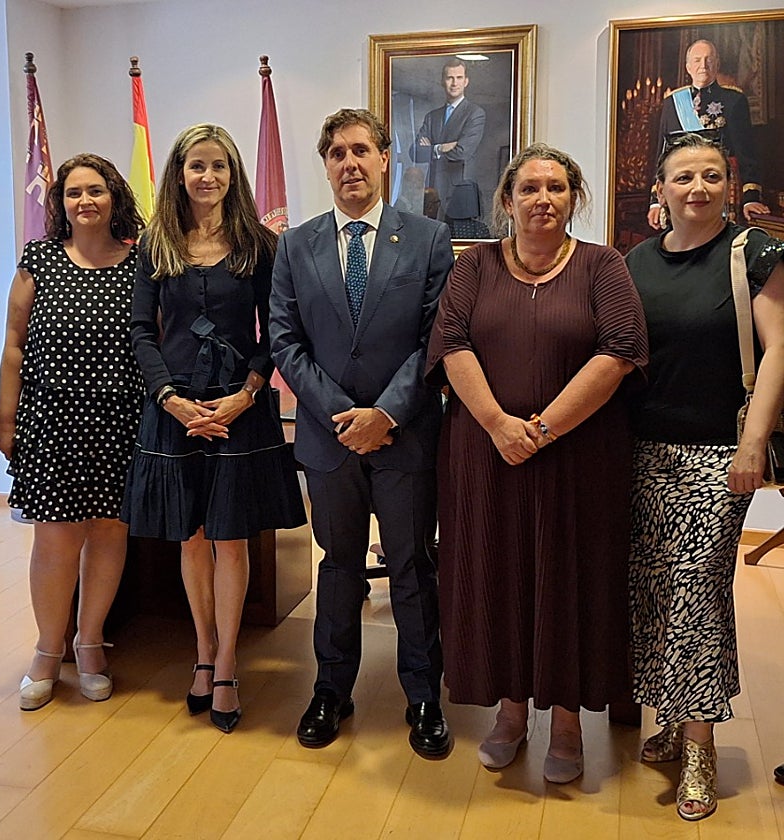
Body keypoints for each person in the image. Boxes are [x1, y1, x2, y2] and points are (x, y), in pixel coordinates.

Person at [426, 143, 648, 783]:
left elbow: (620, 350)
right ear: (507, 199)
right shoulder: (475, 265)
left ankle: (569, 720)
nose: (542, 199)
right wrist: (500, 424)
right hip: (486, 454)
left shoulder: (603, 265)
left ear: (574, 198)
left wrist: (544, 429)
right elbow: (450, 343)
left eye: (556, 187)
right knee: (497, 575)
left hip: (578, 458)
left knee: (570, 579)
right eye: (529, 188)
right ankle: (510, 711)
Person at [270, 108, 453, 757]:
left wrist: (386, 415)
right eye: (336, 153)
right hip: (329, 441)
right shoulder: (295, 245)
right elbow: (285, 341)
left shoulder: (428, 239)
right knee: (339, 566)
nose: (349, 163)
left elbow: (436, 339)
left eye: (360, 150)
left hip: (405, 436)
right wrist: (342, 416)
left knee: (411, 566)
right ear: (326, 166)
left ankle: (424, 696)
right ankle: (331, 690)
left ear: (384, 158)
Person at [123, 124, 305, 734]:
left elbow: (274, 333)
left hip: (238, 409)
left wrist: (246, 395)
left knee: (231, 539)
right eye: (196, 165)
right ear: (179, 174)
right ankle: (202, 652)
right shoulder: (156, 245)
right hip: (174, 409)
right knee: (193, 537)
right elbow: (142, 333)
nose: (208, 176)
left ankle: (227, 662)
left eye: (218, 166)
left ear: (234, 174)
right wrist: (170, 399)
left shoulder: (259, 244)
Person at [626, 132, 784, 820]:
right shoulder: (636, 262)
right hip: (641, 452)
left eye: (711, 176)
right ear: (660, 190)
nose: (698, 188)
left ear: (728, 184)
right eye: (684, 176)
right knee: (654, 591)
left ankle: (700, 747)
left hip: (718, 456)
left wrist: (753, 442)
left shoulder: (755, 254)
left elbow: (779, 350)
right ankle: (671, 715)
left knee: (697, 595)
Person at [0, 153, 145, 711]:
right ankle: (47, 650)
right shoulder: (40, 259)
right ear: (60, 202)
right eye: (73, 192)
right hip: (51, 422)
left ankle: (90, 644)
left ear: (114, 197)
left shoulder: (140, 262)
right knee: (55, 542)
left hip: (120, 421)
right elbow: (13, 342)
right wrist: (5, 417)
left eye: (95, 190)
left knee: (108, 535)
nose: (85, 201)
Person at [647, 39, 770, 229]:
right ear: (688, 67)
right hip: (681, 187)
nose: (703, 65)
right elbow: (663, 153)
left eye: (709, 59)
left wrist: (750, 197)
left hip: (718, 186)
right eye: (697, 60)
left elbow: (747, 153)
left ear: (717, 64)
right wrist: (656, 202)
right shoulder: (672, 103)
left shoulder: (734, 100)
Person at [411, 59, 486, 230]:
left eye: (459, 77)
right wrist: (441, 147)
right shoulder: (432, 117)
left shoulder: (475, 113)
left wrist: (431, 149)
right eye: (449, 77)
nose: (454, 83)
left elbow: (462, 152)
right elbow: (415, 152)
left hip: (460, 197)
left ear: (466, 81)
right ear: (442, 81)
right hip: (433, 197)